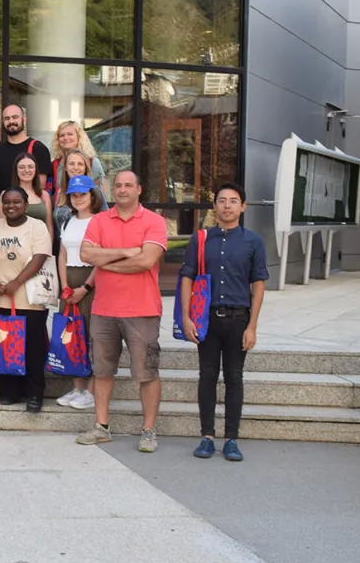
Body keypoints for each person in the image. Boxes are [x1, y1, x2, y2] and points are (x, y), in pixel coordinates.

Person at [76, 171, 167, 453]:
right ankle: (101, 427)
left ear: (139, 189)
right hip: (104, 309)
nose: (123, 189)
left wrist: (108, 260)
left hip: (142, 310)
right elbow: (86, 255)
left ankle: (149, 430)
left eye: (129, 185)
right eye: (118, 185)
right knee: (102, 370)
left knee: (147, 372)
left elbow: (146, 260)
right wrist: (128, 251)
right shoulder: (99, 220)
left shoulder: (155, 221)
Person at [182, 183, 268, 463]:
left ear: (243, 206)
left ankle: (231, 438)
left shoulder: (253, 241)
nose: (227, 205)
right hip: (206, 320)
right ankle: (207, 436)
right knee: (206, 376)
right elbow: (187, 277)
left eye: (233, 201)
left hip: (237, 319)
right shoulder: (201, 238)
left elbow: (258, 283)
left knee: (234, 377)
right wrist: (186, 317)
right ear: (215, 206)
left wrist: (252, 325)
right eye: (222, 200)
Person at [0, 186, 52, 412]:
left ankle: (34, 394)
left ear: (26, 205)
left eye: (16, 202)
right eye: (6, 202)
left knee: (32, 349)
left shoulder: (37, 226)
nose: (11, 206)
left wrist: (16, 282)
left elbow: (40, 258)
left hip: (28, 300)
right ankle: (8, 391)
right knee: (1, 346)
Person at [55, 175, 103, 410]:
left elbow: (100, 260)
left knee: (93, 336)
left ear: (92, 195)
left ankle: (92, 391)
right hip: (69, 283)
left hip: (90, 283)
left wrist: (85, 288)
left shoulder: (100, 221)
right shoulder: (67, 221)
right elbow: (62, 254)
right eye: (74, 194)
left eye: (83, 194)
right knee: (72, 335)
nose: (78, 198)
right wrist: (64, 285)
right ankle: (78, 386)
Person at [0, 105, 53, 209]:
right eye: (7, 118)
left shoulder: (38, 149)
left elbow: (40, 186)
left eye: (15, 117)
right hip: (1, 212)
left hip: (28, 212)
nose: (11, 121)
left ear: (24, 119)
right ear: (2, 122)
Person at [4, 152, 55, 240]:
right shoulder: (6, 194)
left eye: (31, 167)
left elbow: (49, 226)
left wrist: (48, 250)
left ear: (36, 170)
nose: (27, 170)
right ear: (16, 170)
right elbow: (2, 225)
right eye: (22, 167)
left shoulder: (44, 195)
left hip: (40, 246)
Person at [52, 120, 106, 201]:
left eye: (70, 134)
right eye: (62, 135)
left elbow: (101, 194)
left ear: (79, 137)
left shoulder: (92, 162)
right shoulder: (55, 164)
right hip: (61, 211)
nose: (66, 138)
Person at [55, 148, 107, 227]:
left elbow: (106, 221)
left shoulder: (95, 191)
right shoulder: (60, 193)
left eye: (80, 164)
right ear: (65, 167)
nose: (76, 167)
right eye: (71, 164)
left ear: (86, 167)